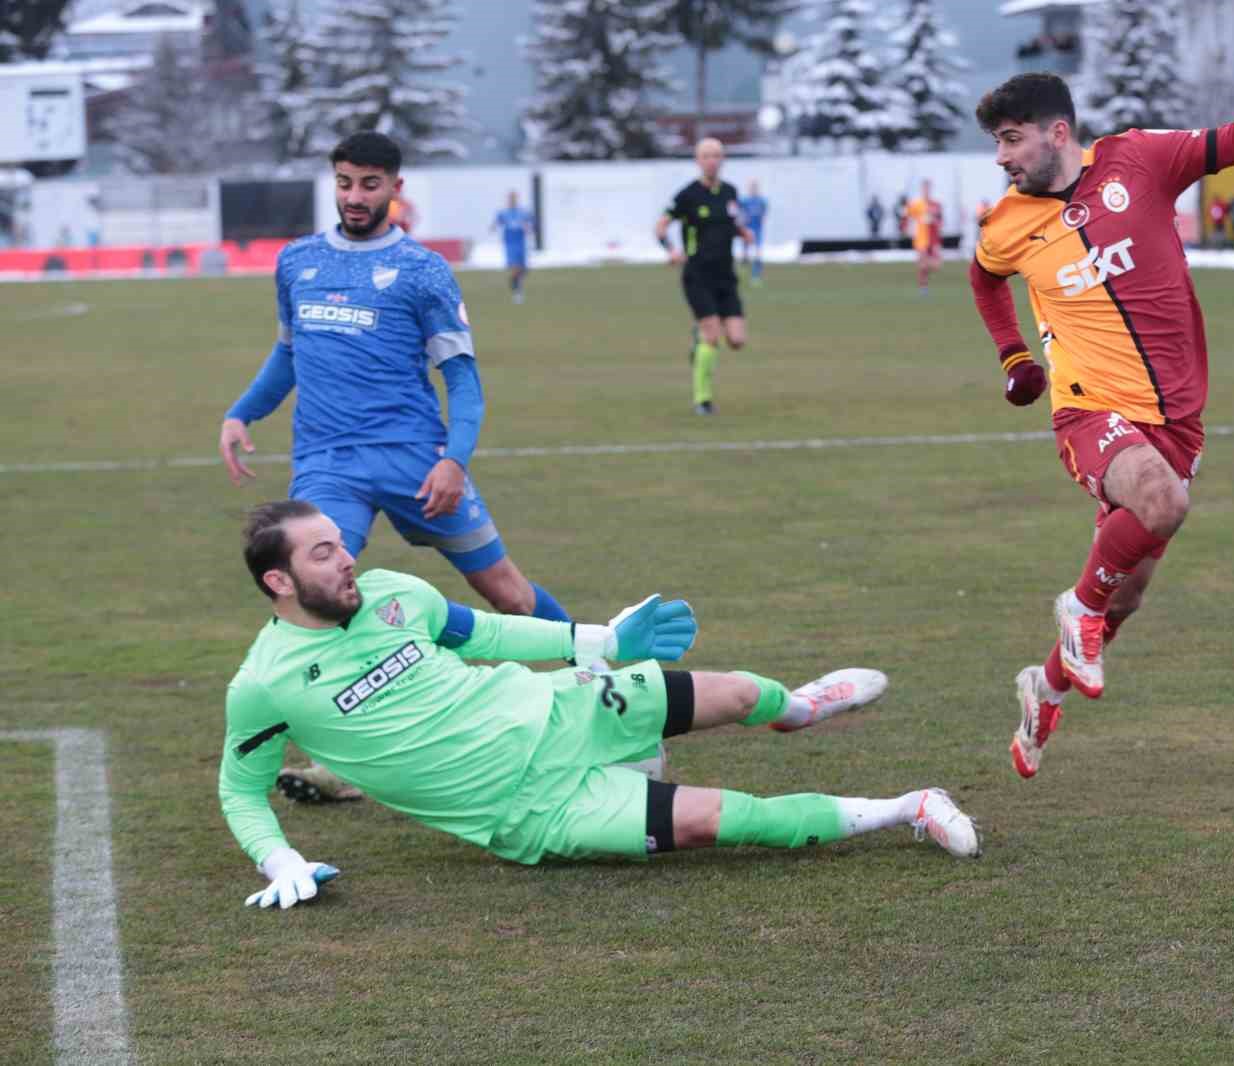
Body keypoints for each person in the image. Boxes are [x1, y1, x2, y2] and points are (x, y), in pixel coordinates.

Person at [221, 501, 980, 910]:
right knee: (724, 820)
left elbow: (483, 630)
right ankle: (908, 806)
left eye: (340, 543)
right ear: (278, 583)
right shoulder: (264, 684)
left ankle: (806, 707)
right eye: (322, 553)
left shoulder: (395, 593)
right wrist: (277, 855)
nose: (346, 556)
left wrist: (597, 637)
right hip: (530, 810)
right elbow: (239, 789)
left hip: (561, 707)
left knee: (745, 695)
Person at [965, 0, 1234, 779]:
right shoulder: (1005, 224)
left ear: (1056, 131)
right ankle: (1077, 609)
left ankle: (1045, 687)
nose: (1000, 157)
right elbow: (984, 279)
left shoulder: (1140, 161)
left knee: (1127, 596)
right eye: (995, 143)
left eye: (1010, 139)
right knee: (1161, 507)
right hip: (1089, 411)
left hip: (1177, 422)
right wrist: (1013, 358)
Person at [219, 131, 582, 804]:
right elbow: (288, 357)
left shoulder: (423, 272)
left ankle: (600, 670)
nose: (356, 196)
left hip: (418, 461)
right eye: (345, 182)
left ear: (395, 188)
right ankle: (350, 755)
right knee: (315, 595)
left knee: (506, 593)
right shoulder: (297, 262)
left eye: (370, 184)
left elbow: (464, 382)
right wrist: (242, 411)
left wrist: (453, 461)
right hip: (328, 464)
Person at [655, 137, 756, 416]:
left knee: (736, 340)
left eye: (716, 155)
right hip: (697, 275)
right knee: (712, 335)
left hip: (726, 276)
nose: (712, 160)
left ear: (722, 159)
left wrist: (744, 233)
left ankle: (699, 341)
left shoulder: (731, 193)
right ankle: (703, 399)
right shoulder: (687, 195)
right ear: (698, 161)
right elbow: (661, 227)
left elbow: (733, 222)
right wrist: (671, 250)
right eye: (706, 155)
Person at [490, 189, 533, 303]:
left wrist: (528, 227)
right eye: (510, 198)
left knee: (523, 269)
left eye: (514, 198)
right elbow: (496, 223)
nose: (512, 200)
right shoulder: (503, 213)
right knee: (515, 267)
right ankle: (517, 293)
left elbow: (531, 223)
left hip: (521, 242)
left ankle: (515, 283)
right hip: (510, 243)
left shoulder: (523, 212)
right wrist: (493, 227)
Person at [903, 180, 944, 296]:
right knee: (923, 265)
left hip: (934, 238)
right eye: (924, 188)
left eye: (928, 188)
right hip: (921, 239)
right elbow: (906, 214)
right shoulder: (916, 204)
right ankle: (923, 287)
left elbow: (940, 220)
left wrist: (935, 221)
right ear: (922, 190)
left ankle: (923, 266)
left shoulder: (936, 204)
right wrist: (905, 227)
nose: (926, 191)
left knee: (936, 266)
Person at [738, 180, 768, 285]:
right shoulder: (745, 201)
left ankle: (756, 276)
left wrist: (762, 220)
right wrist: (742, 222)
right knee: (745, 255)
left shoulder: (762, 201)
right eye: (751, 187)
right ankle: (742, 268)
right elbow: (738, 211)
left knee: (757, 254)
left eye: (755, 187)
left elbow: (764, 213)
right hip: (747, 231)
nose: (753, 189)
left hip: (758, 231)